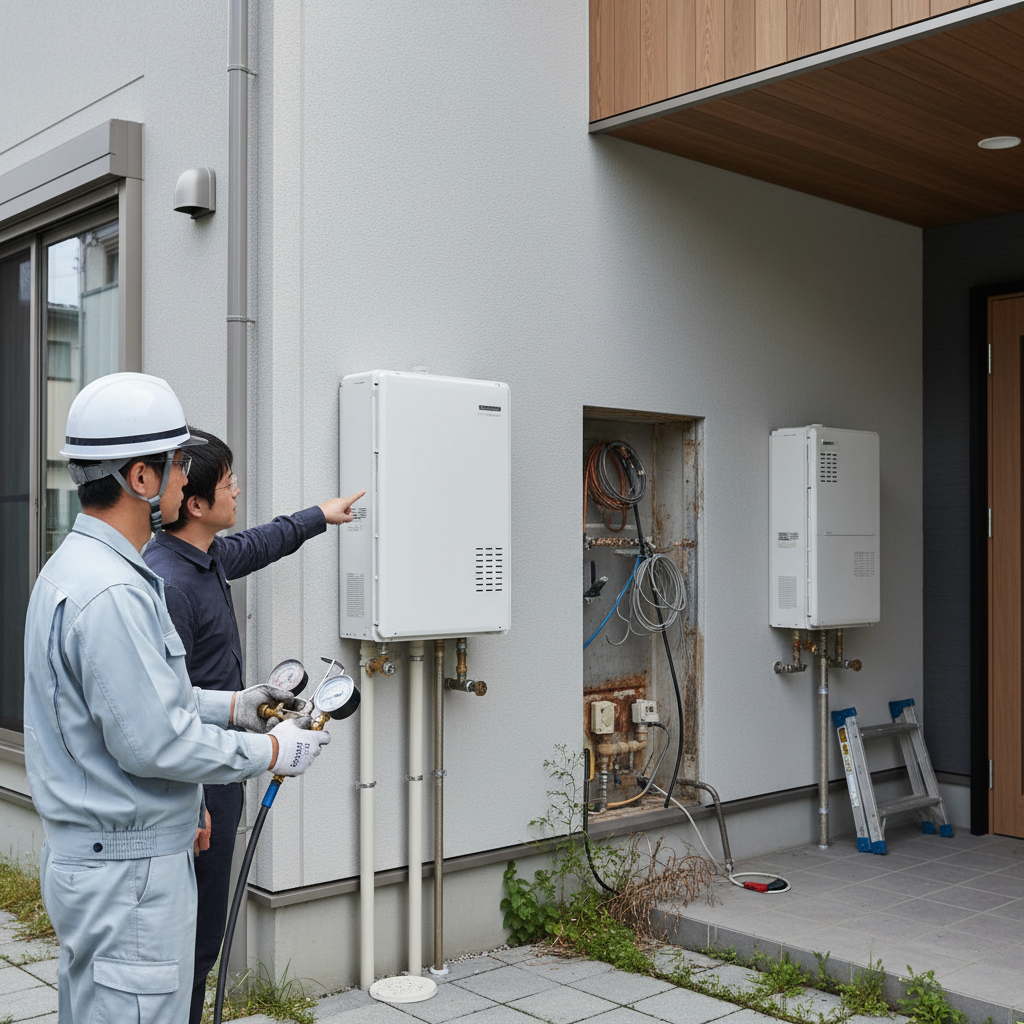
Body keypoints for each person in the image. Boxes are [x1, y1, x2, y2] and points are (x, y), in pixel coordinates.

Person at [23, 372, 331, 1024]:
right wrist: (272, 750)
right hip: (127, 876)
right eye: (175, 464)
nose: (185, 478)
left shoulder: (78, 568)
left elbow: (135, 701)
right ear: (140, 478)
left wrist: (235, 706)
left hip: (102, 861)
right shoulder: (114, 592)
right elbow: (154, 742)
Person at [142, 427, 365, 1024]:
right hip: (196, 785)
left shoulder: (204, 556)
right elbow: (167, 712)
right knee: (189, 940)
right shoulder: (169, 584)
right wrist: (195, 804)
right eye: (228, 481)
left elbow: (260, 543)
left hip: (219, 771)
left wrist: (320, 515)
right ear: (195, 503)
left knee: (204, 934)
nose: (237, 488)